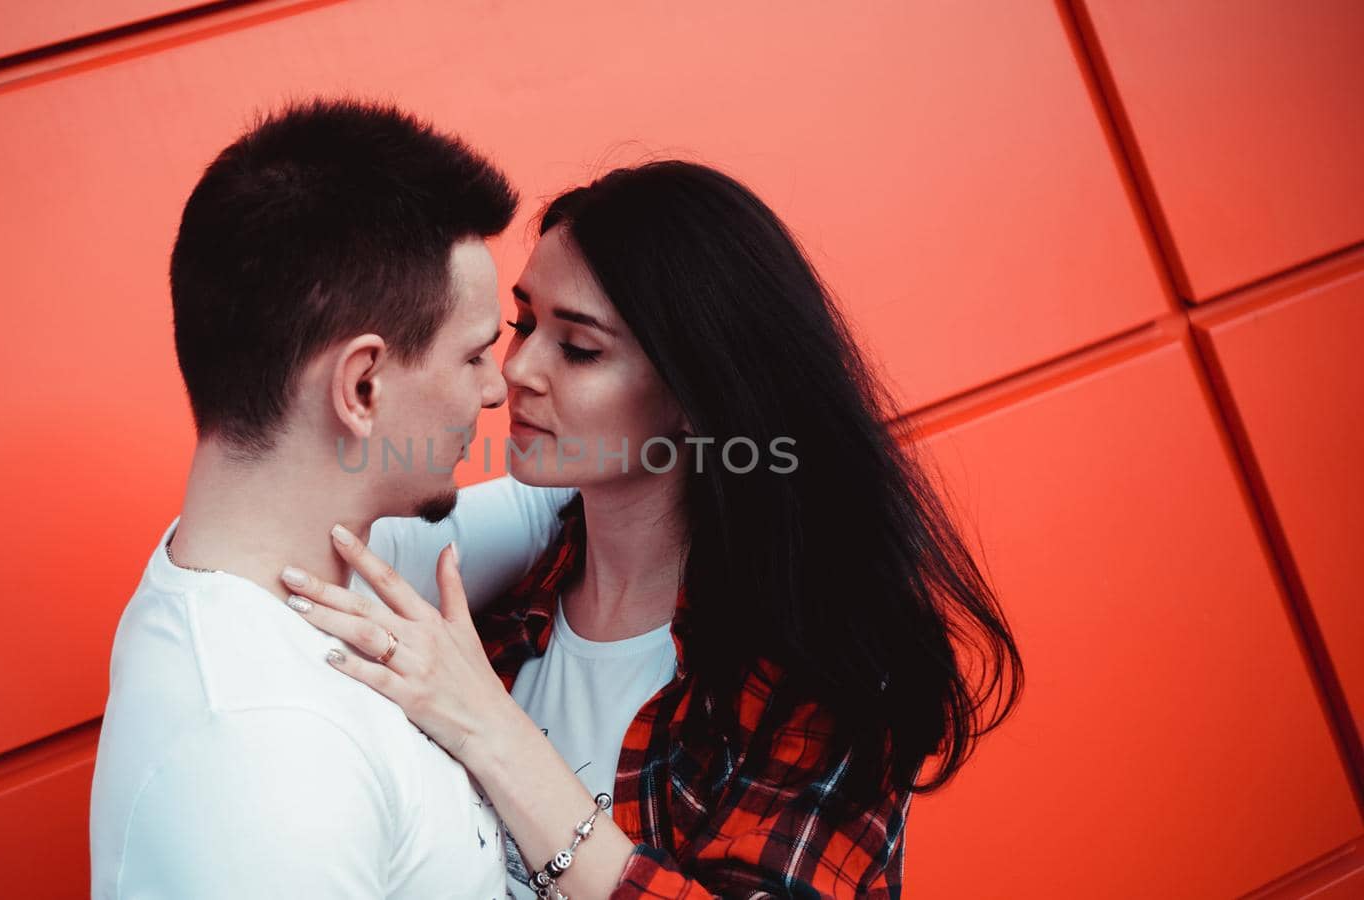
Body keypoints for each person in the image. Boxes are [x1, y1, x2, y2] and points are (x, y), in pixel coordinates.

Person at [281, 160, 1026, 898]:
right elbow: (262, 546)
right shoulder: (502, 601)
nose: (516, 371)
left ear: (698, 395)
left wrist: (489, 730)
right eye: (524, 324)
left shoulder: (819, 678)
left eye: (579, 348)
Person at [88, 98, 576, 899]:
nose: (500, 389)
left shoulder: (328, 569)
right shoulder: (257, 752)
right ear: (362, 383)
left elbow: (545, 502)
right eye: (475, 355)